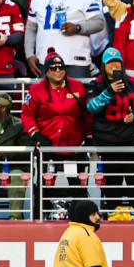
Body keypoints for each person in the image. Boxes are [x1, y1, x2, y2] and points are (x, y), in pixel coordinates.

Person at [22, 50, 90, 219]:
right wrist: (36, 135)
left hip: (74, 148)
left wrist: (88, 137)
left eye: (61, 67)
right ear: (47, 71)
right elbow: (27, 115)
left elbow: (87, 114)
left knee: (78, 185)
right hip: (48, 147)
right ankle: (39, 217)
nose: (58, 71)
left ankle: (81, 218)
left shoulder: (77, 86)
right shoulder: (36, 90)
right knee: (45, 185)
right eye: (53, 68)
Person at [87, 48, 134, 219]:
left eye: (117, 61)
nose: (114, 64)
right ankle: (114, 214)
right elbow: (91, 107)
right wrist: (109, 91)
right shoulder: (96, 84)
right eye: (110, 62)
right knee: (112, 181)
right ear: (104, 65)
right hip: (107, 142)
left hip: (132, 140)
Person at [26, 0, 106, 79]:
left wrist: (78, 28)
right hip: (45, 61)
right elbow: (31, 29)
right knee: (46, 98)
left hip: (76, 61)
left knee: (76, 97)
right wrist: (29, 55)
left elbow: (99, 23)